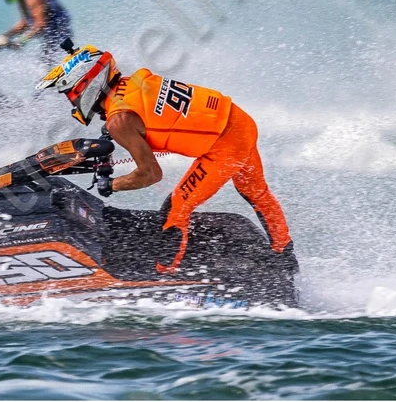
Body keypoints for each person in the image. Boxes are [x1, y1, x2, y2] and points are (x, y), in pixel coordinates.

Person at [37, 43, 294, 273]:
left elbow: (151, 174)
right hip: (240, 121)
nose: (71, 102)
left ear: (87, 85)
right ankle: (284, 254)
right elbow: (150, 114)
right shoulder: (134, 82)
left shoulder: (120, 121)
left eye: (70, 94)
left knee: (176, 208)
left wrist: (112, 185)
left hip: (225, 145)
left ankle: (167, 274)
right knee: (256, 192)